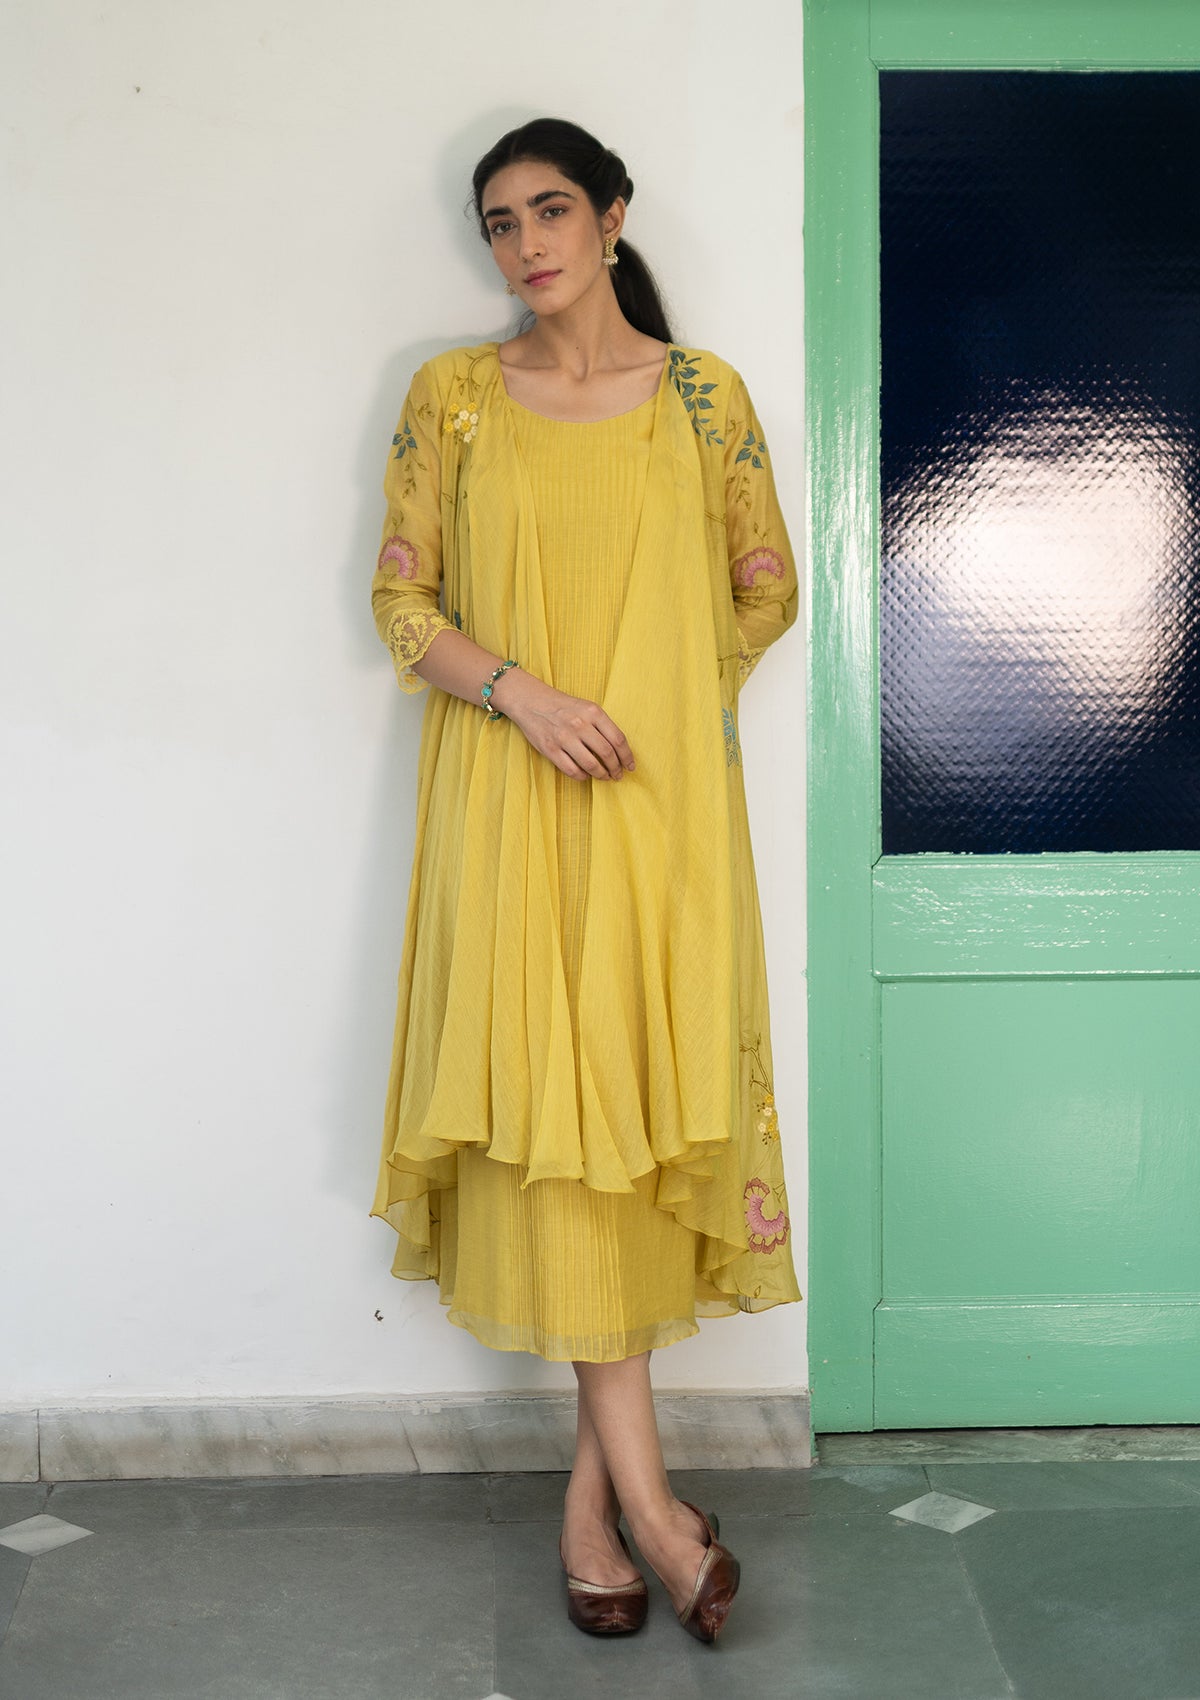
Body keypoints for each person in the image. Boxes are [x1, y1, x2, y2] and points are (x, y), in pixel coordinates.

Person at [369, 117, 801, 1645]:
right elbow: (401, 603)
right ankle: (658, 1517)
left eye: (550, 209)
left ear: (613, 216)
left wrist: (658, 707)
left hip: (657, 819)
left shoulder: (704, 400)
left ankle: (591, 1507)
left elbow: (766, 588)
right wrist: (529, 698)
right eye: (499, 222)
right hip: (507, 810)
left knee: (622, 1129)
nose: (526, 243)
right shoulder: (456, 398)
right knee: (557, 1142)